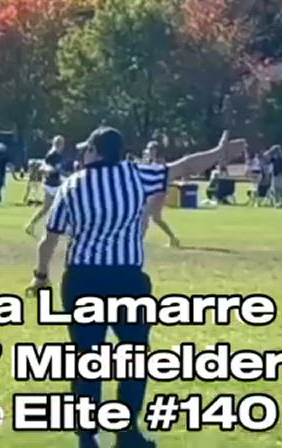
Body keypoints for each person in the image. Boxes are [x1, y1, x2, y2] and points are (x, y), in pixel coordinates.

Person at [27, 127, 236, 448]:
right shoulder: (137, 175)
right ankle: (127, 432)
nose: (83, 155)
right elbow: (184, 166)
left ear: (96, 152)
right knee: (135, 356)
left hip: (83, 279)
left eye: (87, 149)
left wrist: (41, 276)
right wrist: (217, 153)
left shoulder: (73, 185)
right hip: (127, 278)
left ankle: (87, 437)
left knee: (86, 359)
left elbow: (49, 239)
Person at [24, 136, 67, 236]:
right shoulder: (53, 155)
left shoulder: (54, 155)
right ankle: (55, 228)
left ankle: (31, 224)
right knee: (60, 207)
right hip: (52, 185)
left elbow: (53, 169)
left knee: (47, 208)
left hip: (53, 184)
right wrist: (50, 171)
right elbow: (46, 168)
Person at [141, 141, 180, 248]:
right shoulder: (147, 162)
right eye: (148, 149)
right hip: (150, 193)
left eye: (151, 149)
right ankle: (173, 238)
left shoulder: (161, 163)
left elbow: (164, 178)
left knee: (145, 215)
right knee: (156, 218)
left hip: (158, 193)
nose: (149, 151)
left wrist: (165, 192)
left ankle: (139, 240)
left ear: (156, 150)